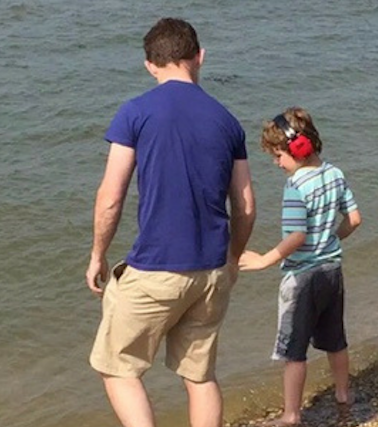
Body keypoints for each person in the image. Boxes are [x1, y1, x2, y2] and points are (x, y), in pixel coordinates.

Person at [84, 17, 255, 427]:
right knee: (200, 376)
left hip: (156, 268)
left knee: (118, 367)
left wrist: (97, 255)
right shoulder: (227, 120)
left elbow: (111, 197)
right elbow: (246, 205)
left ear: (149, 65)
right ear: (200, 57)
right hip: (211, 269)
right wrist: (232, 258)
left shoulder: (135, 113)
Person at [239, 107, 362, 426]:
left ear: (298, 148)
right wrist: (330, 240)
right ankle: (343, 393)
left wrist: (264, 260)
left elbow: (296, 236)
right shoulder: (335, 174)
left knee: (294, 351)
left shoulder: (295, 186)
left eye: (278, 156)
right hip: (331, 272)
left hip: (301, 277)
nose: (277, 163)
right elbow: (354, 220)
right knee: (336, 340)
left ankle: (291, 415)